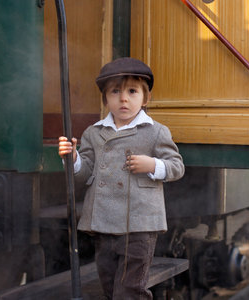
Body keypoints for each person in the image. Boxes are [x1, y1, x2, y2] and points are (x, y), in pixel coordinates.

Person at [58, 57, 185, 299]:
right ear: (105, 98)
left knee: (130, 290)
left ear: (145, 98)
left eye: (132, 91)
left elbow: (177, 167)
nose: (123, 98)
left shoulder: (155, 131)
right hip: (104, 223)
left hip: (139, 224)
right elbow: (85, 174)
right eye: (115, 91)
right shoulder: (94, 133)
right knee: (108, 285)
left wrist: (153, 165)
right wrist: (73, 158)